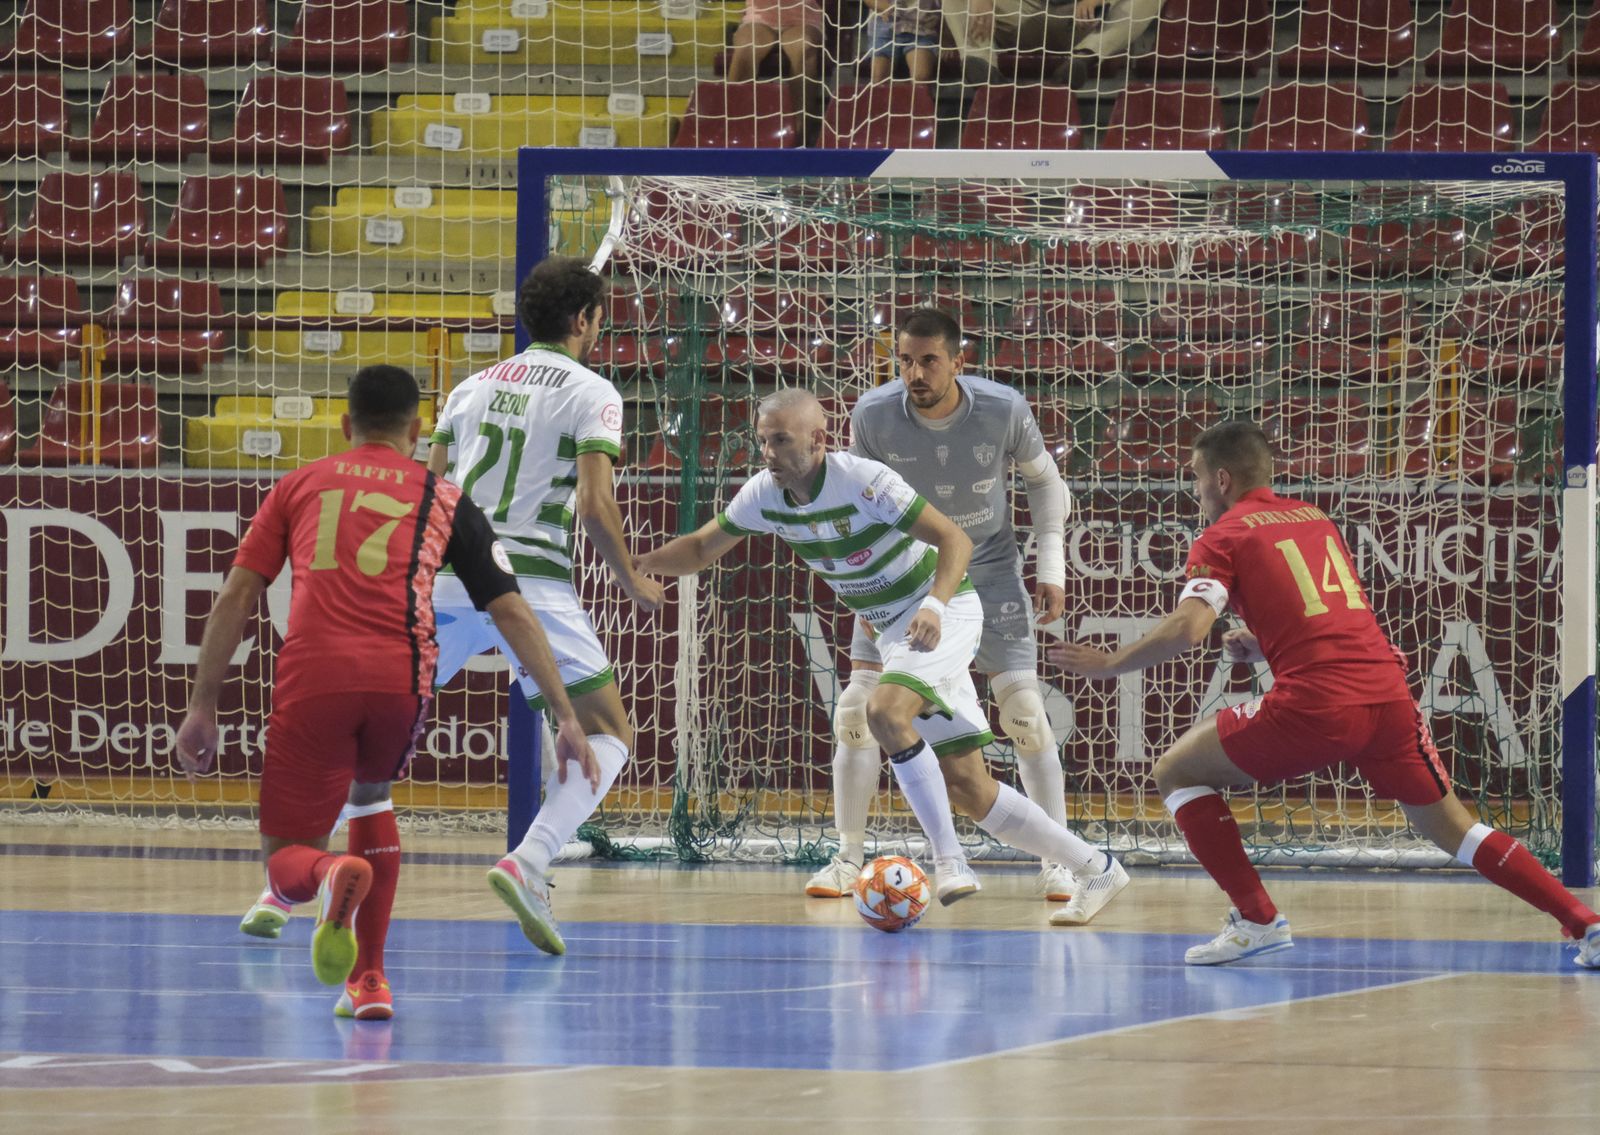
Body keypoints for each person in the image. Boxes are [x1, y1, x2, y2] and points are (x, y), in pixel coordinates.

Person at [1047, 420, 1600, 968]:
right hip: (1386, 695)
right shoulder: (1313, 517)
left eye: (1195, 478)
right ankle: (1586, 924)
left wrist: (1109, 663)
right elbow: (1333, 614)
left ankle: (1257, 920)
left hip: (1317, 703)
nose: (1195, 491)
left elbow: (1190, 629)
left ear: (1221, 479)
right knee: (1455, 829)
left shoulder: (1224, 535)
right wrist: (1266, 644)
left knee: (1176, 771)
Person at [176, 365, 598, 1021]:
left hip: (315, 676)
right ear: (416, 430)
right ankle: (369, 981)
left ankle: (325, 876)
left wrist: (203, 705)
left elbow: (238, 594)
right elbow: (513, 610)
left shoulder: (299, 485)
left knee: (285, 860)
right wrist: (565, 715)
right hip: (400, 679)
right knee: (371, 795)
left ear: (345, 426)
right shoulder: (444, 496)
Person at [638, 389, 1122, 917]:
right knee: (968, 786)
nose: (768, 453)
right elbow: (702, 547)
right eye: (762, 441)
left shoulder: (863, 480)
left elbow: (954, 539)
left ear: (819, 440)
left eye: (780, 441)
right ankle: (1098, 869)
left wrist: (934, 606)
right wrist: (635, 562)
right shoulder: (764, 494)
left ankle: (949, 859)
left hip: (946, 613)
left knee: (883, 711)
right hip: (895, 631)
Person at [806, 307, 1125, 925]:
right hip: (900, 580)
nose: (914, 373)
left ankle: (1058, 860)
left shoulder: (1003, 408)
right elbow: (859, 506)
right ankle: (848, 857)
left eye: (928, 360)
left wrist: (1052, 567)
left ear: (959, 361)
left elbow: (1046, 483)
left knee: (1027, 717)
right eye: (903, 360)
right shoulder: (872, 415)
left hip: (990, 571)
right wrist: (870, 595)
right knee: (855, 712)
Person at [431, 255, 664, 957]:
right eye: (600, 318)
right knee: (608, 733)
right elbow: (595, 502)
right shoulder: (592, 390)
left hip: (444, 573)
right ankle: (530, 860)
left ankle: (286, 879)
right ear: (586, 320)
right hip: (529, 583)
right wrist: (629, 580)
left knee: (373, 720)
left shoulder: (466, 388)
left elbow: (430, 489)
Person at [863, 0, 944, 85]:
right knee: (879, 78)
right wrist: (883, 7)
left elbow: (946, 5)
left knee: (921, 77)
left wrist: (947, 36)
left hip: (921, 26)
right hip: (885, 26)